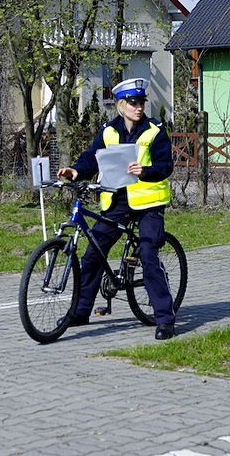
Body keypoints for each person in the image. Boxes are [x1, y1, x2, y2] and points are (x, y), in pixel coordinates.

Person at [56, 77, 176, 340]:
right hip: (117, 200)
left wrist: (145, 171)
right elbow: (92, 157)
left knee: (148, 255)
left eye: (141, 102)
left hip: (148, 202)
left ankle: (165, 319)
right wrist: (76, 170)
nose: (139, 107)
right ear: (121, 105)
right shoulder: (109, 131)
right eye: (133, 102)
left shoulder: (154, 130)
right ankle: (80, 311)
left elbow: (166, 165)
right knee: (93, 253)